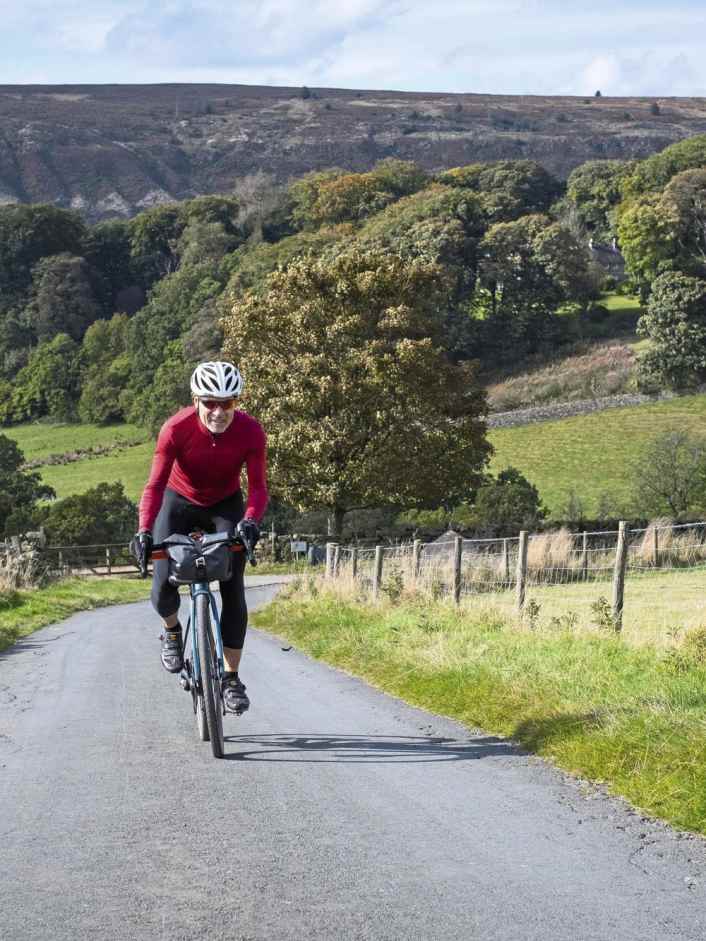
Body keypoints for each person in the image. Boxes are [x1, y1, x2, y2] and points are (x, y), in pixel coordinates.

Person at [132, 361, 268, 713]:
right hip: (177, 503)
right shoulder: (176, 429)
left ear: (237, 401)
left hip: (225, 504)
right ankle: (173, 631)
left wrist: (251, 520)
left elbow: (258, 489)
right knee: (163, 580)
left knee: (233, 585)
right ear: (196, 400)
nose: (218, 411)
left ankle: (231, 678)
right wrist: (145, 531)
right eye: (210, 402)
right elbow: (154, 485)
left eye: (227, 403)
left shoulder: (251, 432)